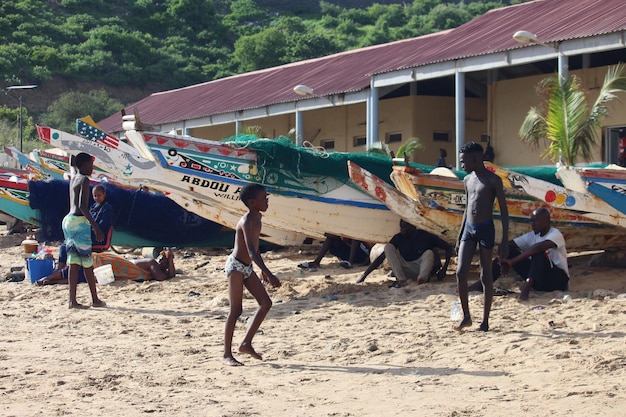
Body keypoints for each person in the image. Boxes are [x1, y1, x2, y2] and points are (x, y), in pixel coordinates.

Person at [223, 183, 281, 366]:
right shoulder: (247, 221)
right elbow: (251, 252)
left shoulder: (258, 218)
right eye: (264, 199)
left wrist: (261, 269)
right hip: (236, 267)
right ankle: (226, 355)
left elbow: (255, 248)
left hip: (247, 267)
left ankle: (246, 343)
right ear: (252, 202)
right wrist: (268, 272)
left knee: (266, 303)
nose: (267, 201)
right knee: (236, 311)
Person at [455, 141, 509, 332]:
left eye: (463, 162)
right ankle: (466, 316)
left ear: (475, 159)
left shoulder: (493, 180)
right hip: (469, 229)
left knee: (486, 274)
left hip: (486, 228)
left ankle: (485, 321)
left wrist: (504, 240)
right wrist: (460, 234)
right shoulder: (468, 180)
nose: (461, 165)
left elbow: (503, 211)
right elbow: (467, 208)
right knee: (460, 272)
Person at [471, 208, 568, 301]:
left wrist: (512, 262)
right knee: (510, 251)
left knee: (538, 253)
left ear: (546, 220)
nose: (533, 224)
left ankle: (526, 289)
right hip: (539, 282)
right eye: (532, 221)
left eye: (536, 221)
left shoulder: (555, 234)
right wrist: (503, 260)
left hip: (558, 281)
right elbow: (505, 245)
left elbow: (538, 248)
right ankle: (482, 283)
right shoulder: (532, 235)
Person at [62, 152, 105, 309]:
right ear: (84, 165)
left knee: (74, 262)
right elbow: (82, 205)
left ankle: (72, 301)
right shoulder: (85, 180)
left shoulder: (74, 178)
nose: (92, 168)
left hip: (68, 221)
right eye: (91, 164)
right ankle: (95, 299)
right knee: (87, 262)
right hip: (79, 222)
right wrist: (95, 227)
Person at [356, 219, 453, 287]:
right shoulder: (399, 237)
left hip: (421, 268)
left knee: (429, 253)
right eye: (401, 228)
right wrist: (364, 275)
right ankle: (401, 279)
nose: (402, 230)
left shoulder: (425, 236)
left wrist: (444, 269)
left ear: (413, 227)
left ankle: (422, 279)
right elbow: (382, 257)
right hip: (405, 268)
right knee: (388, 247)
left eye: (405, 228)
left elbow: (448, 248)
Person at [36, 248, 176, 285]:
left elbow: (164, 277)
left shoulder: (155, 267)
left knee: (81, 276)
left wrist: (170, 262)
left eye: (163, 259)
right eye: (160, 256)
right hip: (114, 264)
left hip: (113, 266)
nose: (159, 259)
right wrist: (169, 262)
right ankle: (47, 279)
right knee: (79, 272)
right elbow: (164, 277)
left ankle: (49, 281)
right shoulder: (151, 263)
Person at [297, 234, 370, 270]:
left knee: (355, 237)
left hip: (361, 254)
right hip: (348, 252)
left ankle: (350, 263)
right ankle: (316, 262)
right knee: (331, 237)